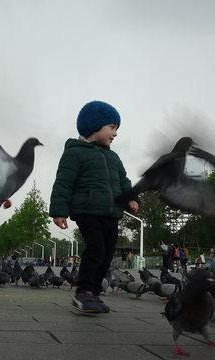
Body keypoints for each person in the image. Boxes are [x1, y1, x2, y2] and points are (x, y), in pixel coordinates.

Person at [49, 100, 139, 314]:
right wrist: (59, 210)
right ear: (95, 126)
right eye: (112, 127)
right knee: (96, 249)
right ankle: (83, 292)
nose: (115, 133)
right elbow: (63, 181)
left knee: (107, 254)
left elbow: (124, 181)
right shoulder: (75, 152)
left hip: (111, 212)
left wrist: (132, 198)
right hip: (87, 210)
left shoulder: (113, 157)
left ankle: (94, 293)